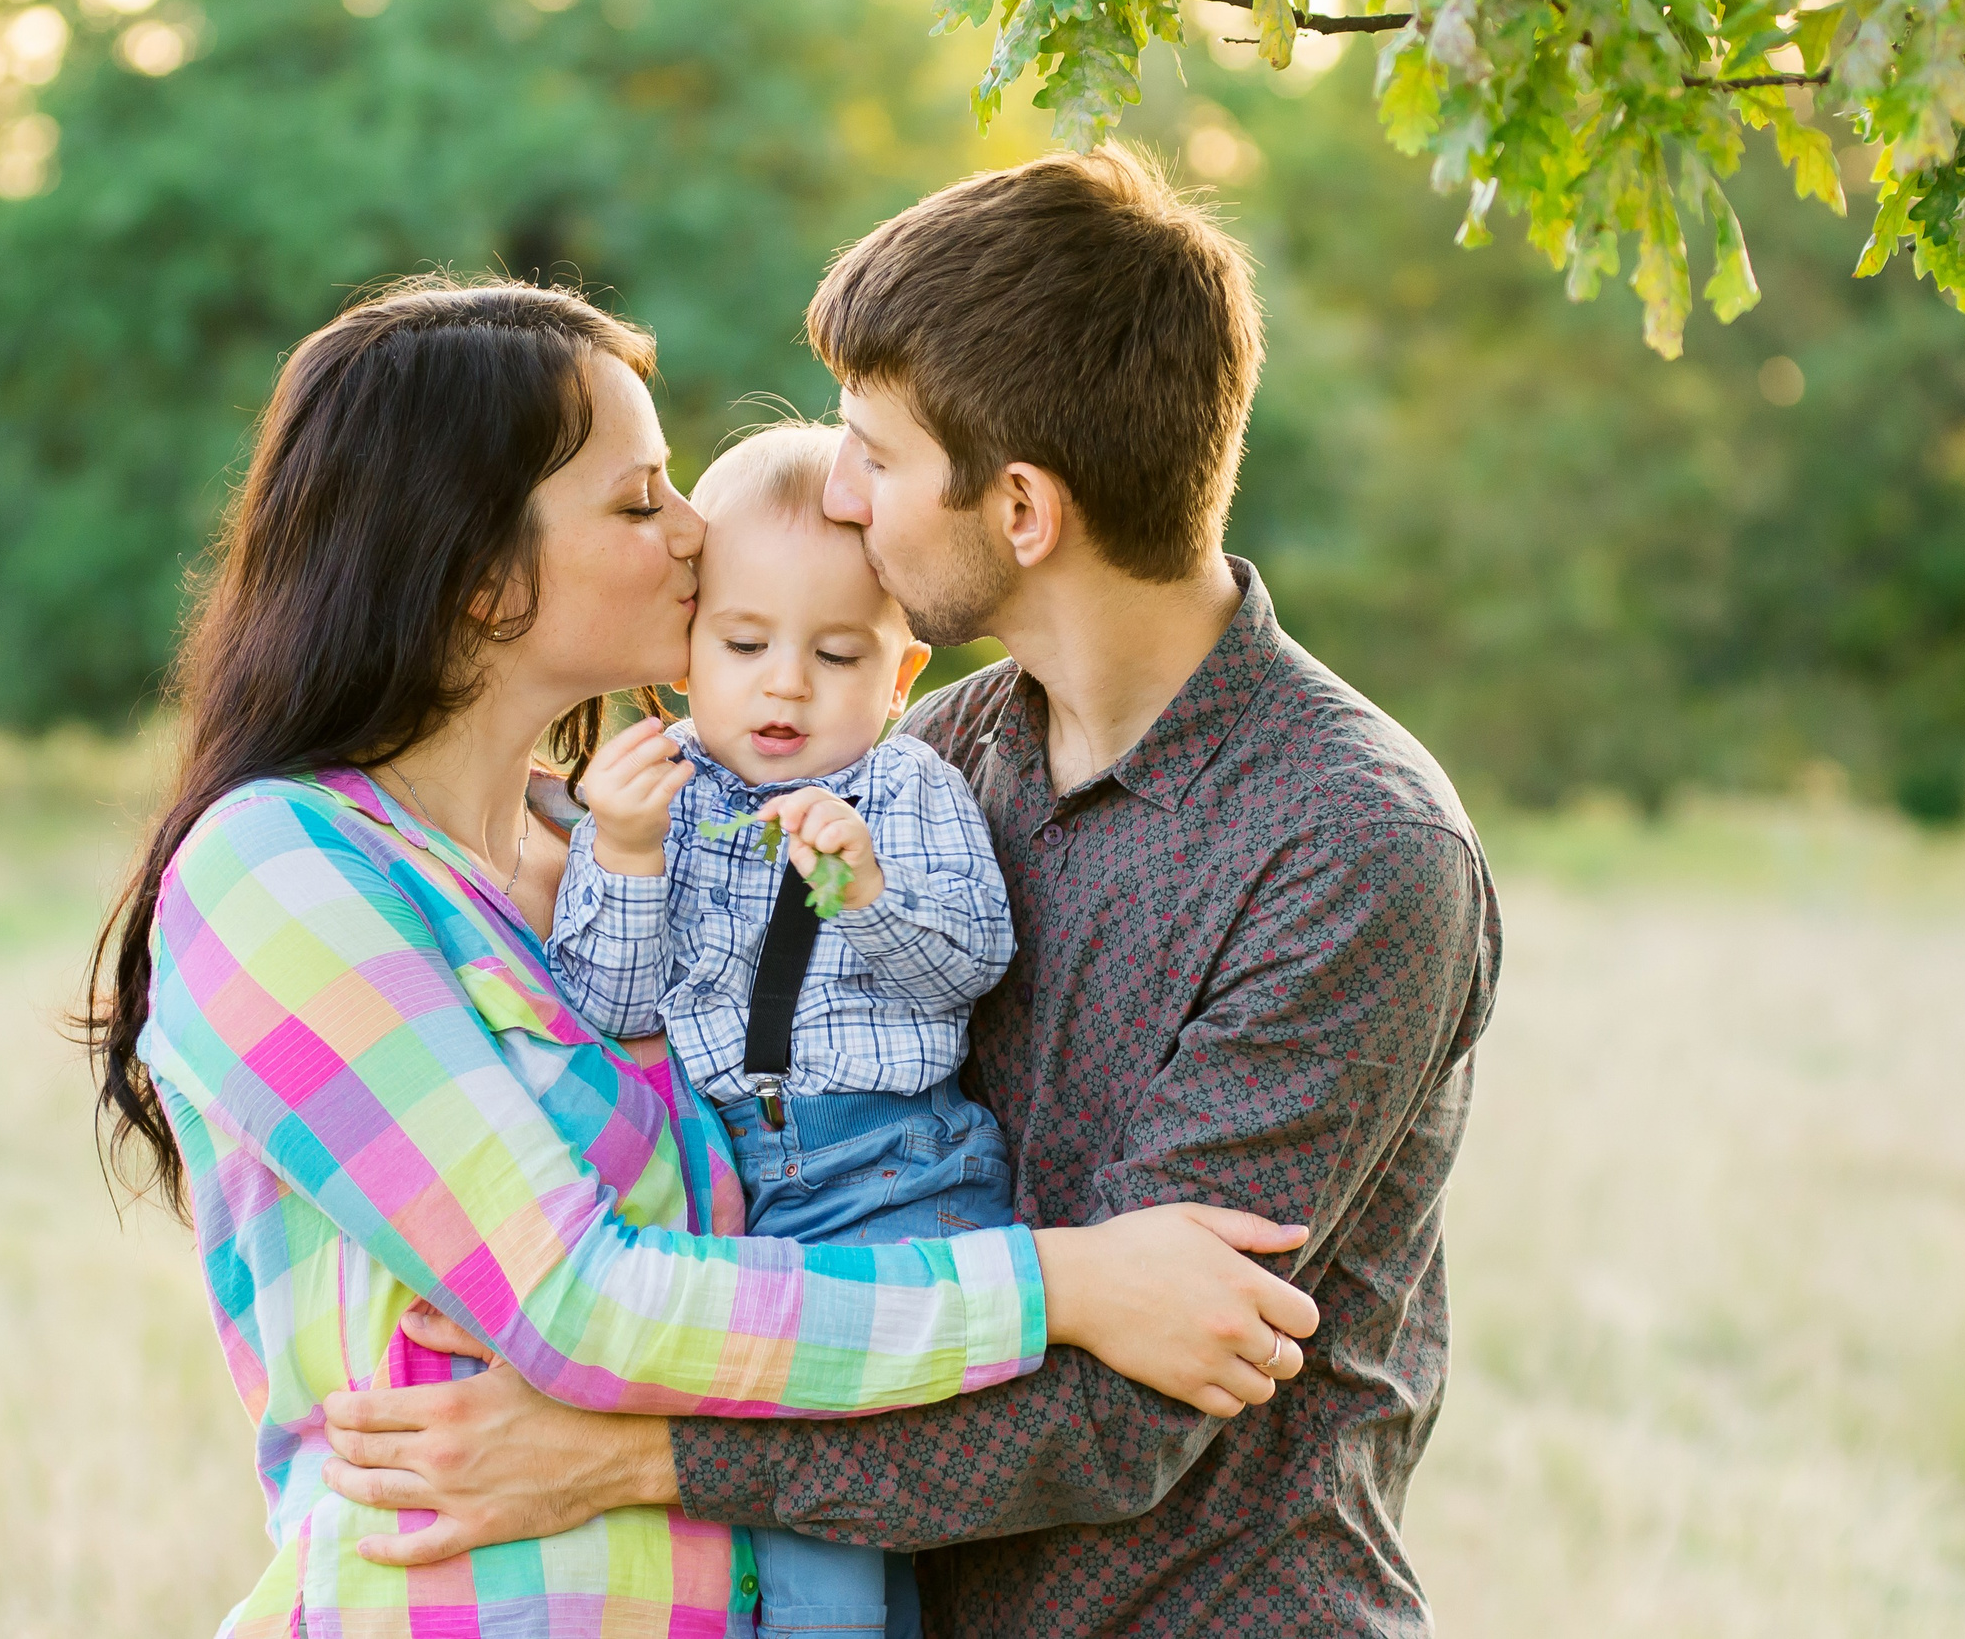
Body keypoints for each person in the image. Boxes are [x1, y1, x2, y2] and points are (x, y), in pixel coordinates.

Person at [318, 151, 1504, 1637]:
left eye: (872, 453)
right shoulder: (935, 752)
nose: (838, 490)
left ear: (1020, 509)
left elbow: (1123, 1412)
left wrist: (631, 1458)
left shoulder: (1348, 845)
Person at [82, 275, 1325, 1638]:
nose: (695, 529)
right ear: (483, 575)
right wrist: (1064, 1283)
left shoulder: (601, 858)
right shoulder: (285, 871)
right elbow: (581, 1298)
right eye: (640, 502)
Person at [548, 423, 1020, 1639]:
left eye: (837, 652)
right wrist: (625, 852)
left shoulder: (904, 788)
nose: (786, 685)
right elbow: (608, 1008)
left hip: (888, 1176)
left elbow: (971, 962)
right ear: (686, 648)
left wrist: (864, 894)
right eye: (745, 643)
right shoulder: (657, 793)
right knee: (775, 1534)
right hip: (728, 1193)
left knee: (830, 1532)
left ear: (902, 673)